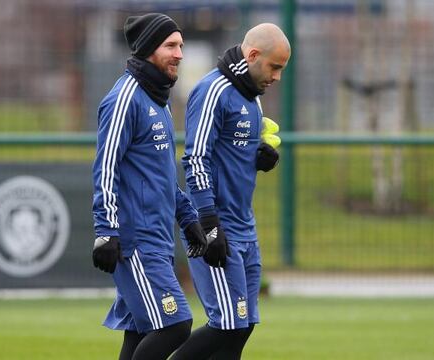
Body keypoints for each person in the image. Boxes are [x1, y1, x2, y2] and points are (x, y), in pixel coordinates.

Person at [91, 13, 209, 360]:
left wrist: (188, 219)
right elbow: (105, 167)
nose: (179, 54)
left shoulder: (158, 100)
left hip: (158, 238)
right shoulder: (124, 98)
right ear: (147, 50)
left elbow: (161, 176)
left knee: (138, 333)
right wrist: (106, 230)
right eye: (170, 45)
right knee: (174, 325)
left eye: (181, 46)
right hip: (135, 240)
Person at [171, 23, 291, 359]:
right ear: (253, 55)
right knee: (228, 323)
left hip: (244, 227)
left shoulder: (251, 98)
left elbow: (230, 154)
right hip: (216, 225)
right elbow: (196, 159)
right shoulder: (214, 90)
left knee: (244, 324)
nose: (277, 77)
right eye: (275, 67)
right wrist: (208, 223)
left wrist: (259, 158)